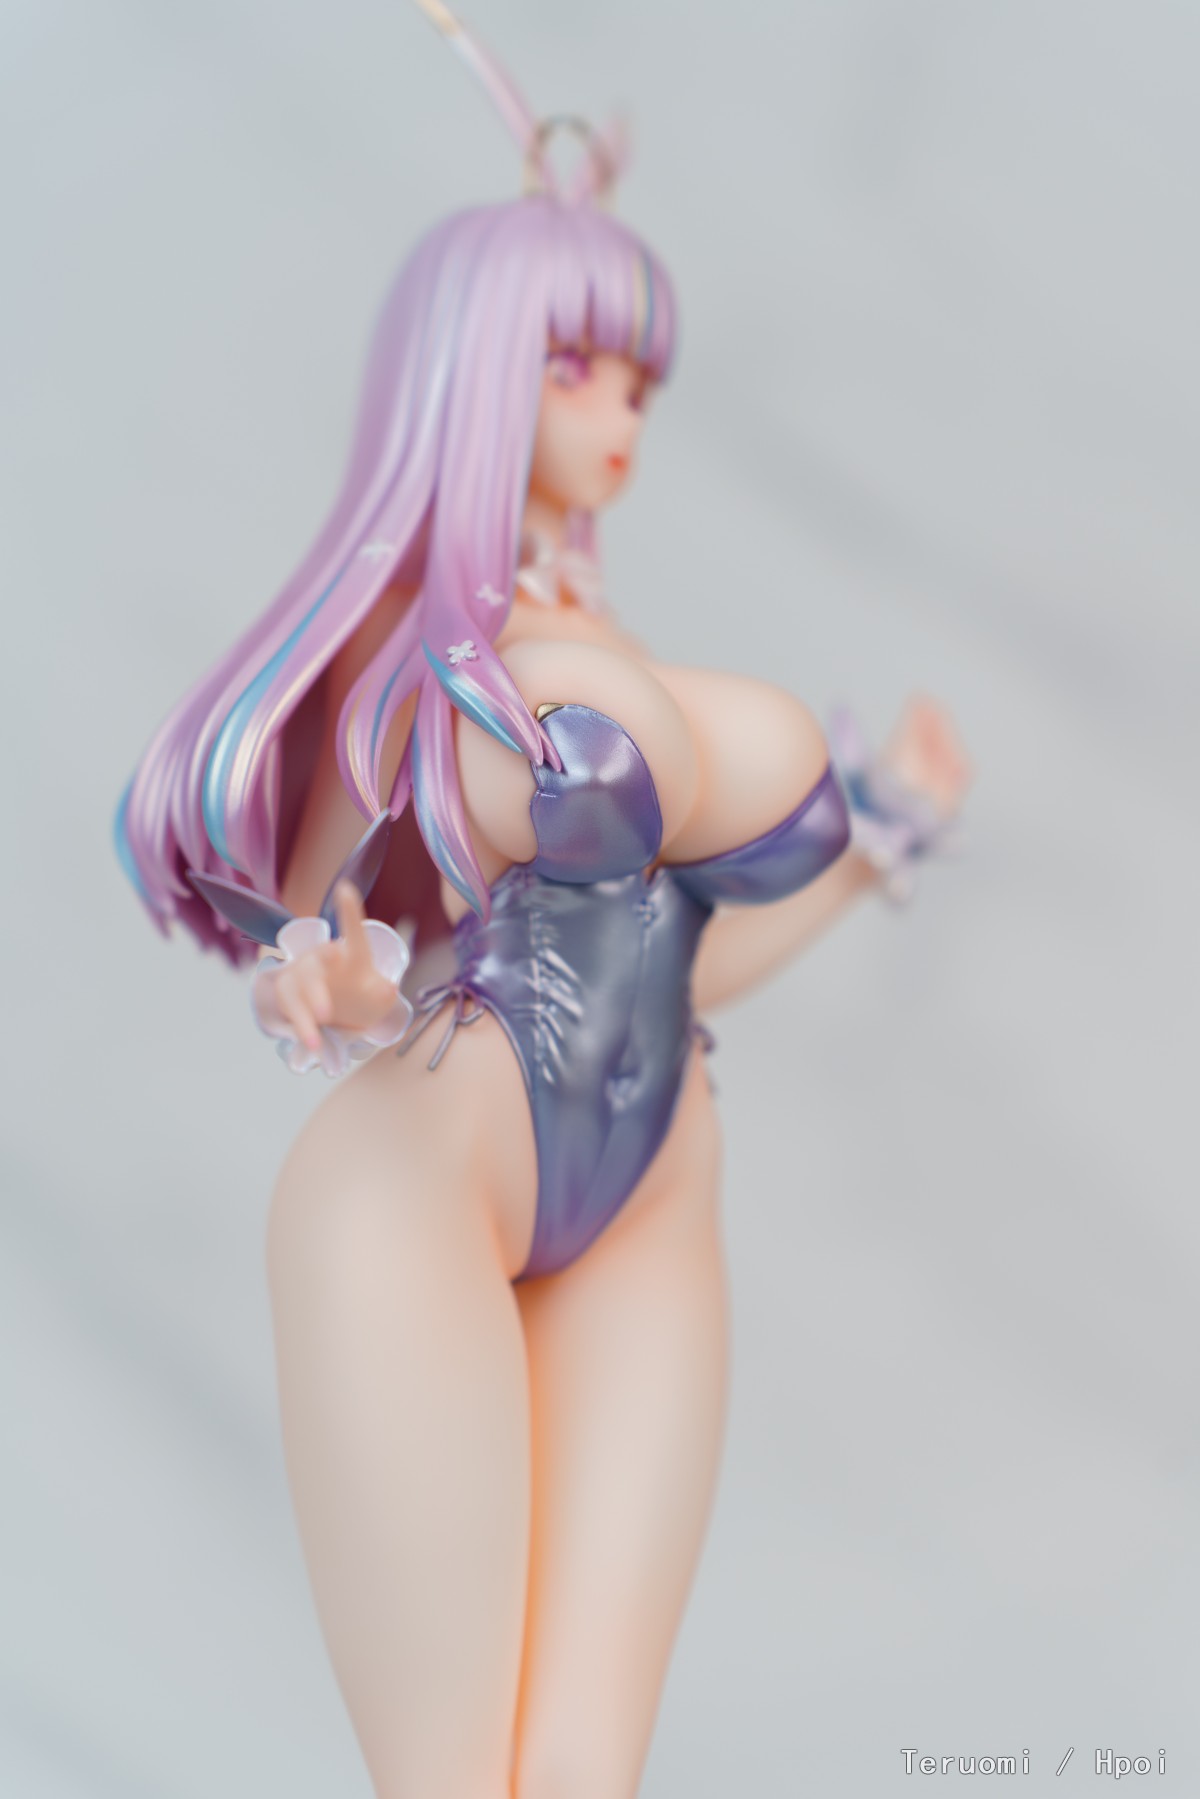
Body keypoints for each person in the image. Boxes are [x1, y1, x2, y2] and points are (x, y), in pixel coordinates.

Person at [116, 8, 970, 1795]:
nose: (622, 416)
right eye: (581, 368)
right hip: (431, 1178)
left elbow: (694, 950)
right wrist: (323, 979)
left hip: (657, 1193)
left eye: (640, 383)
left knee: (586, 1772)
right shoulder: (416, 642)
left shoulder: (598, 629)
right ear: (484, 367)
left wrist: (878, 834)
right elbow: (309, 917)